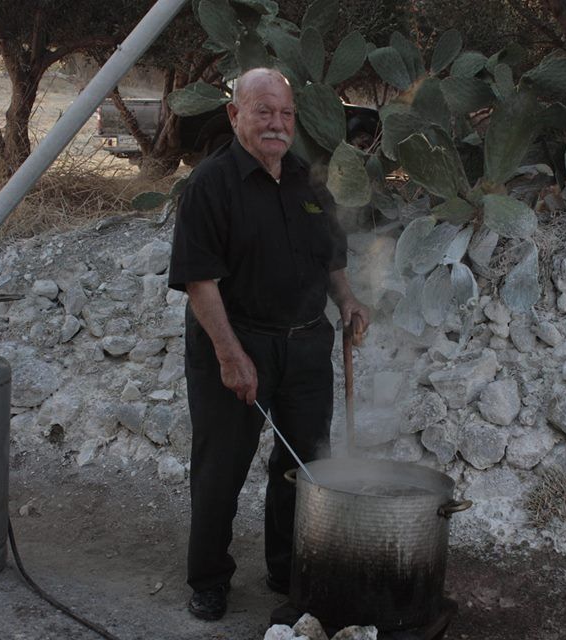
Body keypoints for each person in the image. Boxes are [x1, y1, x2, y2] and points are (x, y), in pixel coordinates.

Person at [167, 67, 369, 622]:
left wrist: (347, 299)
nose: (276, 123)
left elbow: (330, 256)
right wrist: (230, 356)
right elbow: (199, 282)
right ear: (235, 115)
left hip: (306, 346)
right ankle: (209, 579)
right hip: (236, 341)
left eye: (285, 113)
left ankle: (287, 569)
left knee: (303, 465)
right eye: (263, 111)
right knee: (221, 467)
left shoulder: (306, 178)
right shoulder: (210, 185)